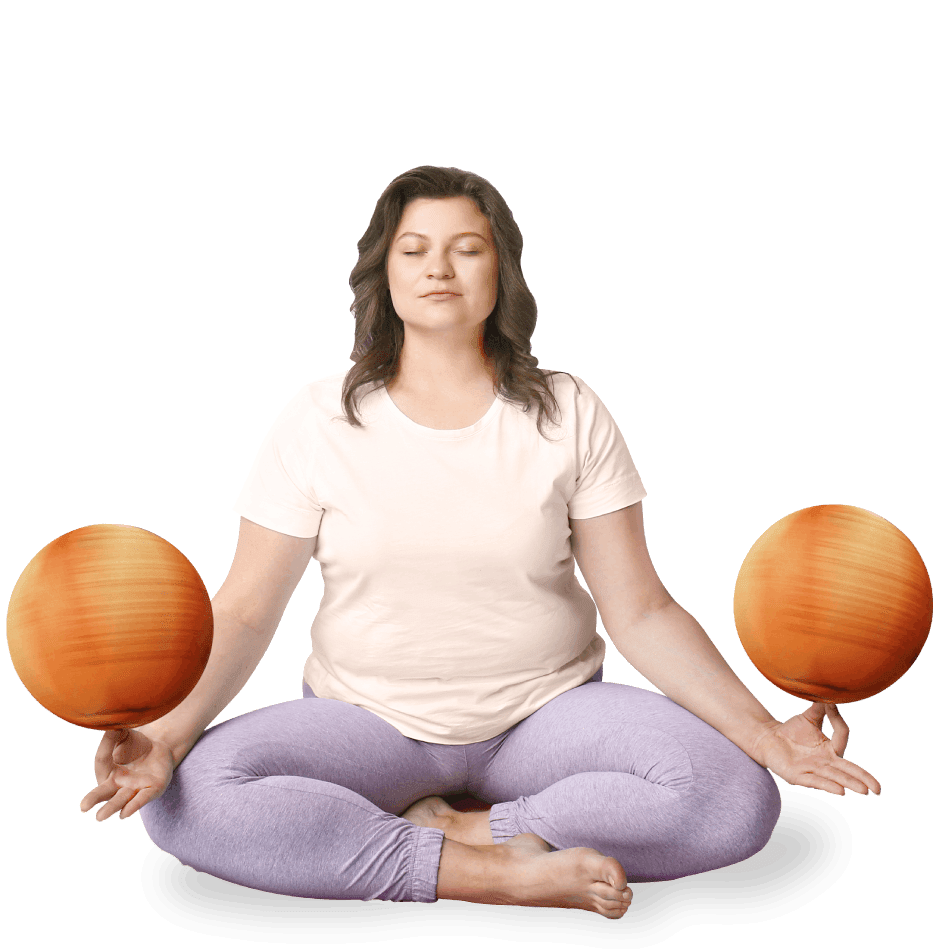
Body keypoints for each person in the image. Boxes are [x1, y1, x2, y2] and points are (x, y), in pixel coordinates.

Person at [79, 165, 881, 920]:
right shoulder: (318, 419)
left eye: (468, 249)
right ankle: (492, 872)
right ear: (382, 273)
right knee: (188, 802)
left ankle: (473, 830)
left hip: (548, 715)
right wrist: (164, 739)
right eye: (414, 249)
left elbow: (639, 609)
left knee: (735, 799)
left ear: (501, 273)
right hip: (366, 723)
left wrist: (764, 734)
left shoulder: (567, 410)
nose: (440, 268)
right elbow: (248, 608)